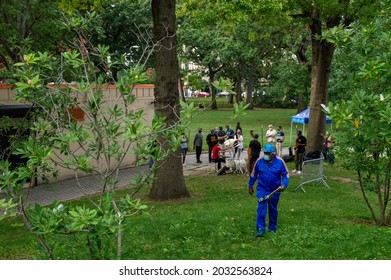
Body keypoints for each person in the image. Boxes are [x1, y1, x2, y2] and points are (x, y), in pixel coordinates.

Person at [248, 143, 289, 237]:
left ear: (273, 154)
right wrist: (250, 186)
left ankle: (272, 228)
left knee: (273, 209)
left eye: (268, 153)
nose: (266, 155)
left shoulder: (280, 161)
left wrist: (284, 185)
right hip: (262, 189)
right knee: (261, 208)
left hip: (275, 190)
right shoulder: (259, 161)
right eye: (265, 153)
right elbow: (253, 174)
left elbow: (285, 175)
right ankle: (260, 228)